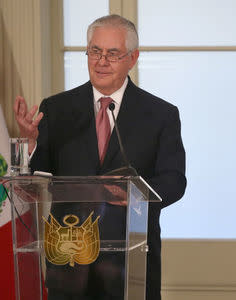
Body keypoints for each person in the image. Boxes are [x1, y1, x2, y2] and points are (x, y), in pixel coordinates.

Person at [13, 14, 186, 300]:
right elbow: (37, 180)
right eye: (95, 51)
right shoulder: (56, 109)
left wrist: (135, 194)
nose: (101, 61)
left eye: (112, 53)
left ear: (133, 58)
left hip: (130, 264)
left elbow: (175, 181)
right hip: (68, 262)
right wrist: (30, 144)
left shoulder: (161, 115)